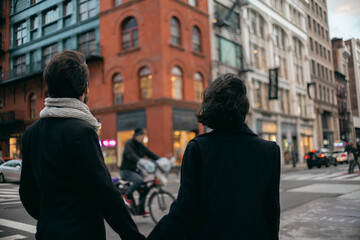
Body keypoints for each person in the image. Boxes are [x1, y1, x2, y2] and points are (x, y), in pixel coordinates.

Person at [19, 50, 145, 240]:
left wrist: (52, 218)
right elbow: (105, 193)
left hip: (47, 231)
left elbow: (27, 193)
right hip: (81, 233)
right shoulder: (82, 131)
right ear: (85, 88)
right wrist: (132, 235)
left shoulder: (30, 133)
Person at [148, 73, 281, 240]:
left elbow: (183, 213)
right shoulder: (270, 151)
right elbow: (272, 212)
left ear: (211, 109)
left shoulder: (198, 149)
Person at [120, 128, 159, 215]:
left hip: (136, 171)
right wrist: (140, 161)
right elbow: (131, 155)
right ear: (136, 136)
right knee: (139, 181)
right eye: (140, 135)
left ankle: (140, 210)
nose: (142, 137)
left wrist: (161, 160)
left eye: (143, 136)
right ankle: (126, 195)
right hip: (126, 170)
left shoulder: (141, 146)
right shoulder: (129, 143)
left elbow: (150, 154)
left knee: (144, 188)